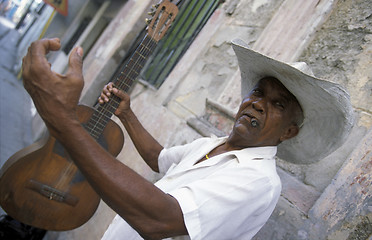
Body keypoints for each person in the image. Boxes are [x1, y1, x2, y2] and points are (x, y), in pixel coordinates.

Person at [21, 38, 353, 239]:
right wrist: (127, 114)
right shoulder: (214, 145)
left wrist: (63, 121)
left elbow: (158, 220)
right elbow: (159, 159)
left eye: (277, 104)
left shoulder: (258, 182)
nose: (257, 103)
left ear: (289, 131)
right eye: (257, 91)